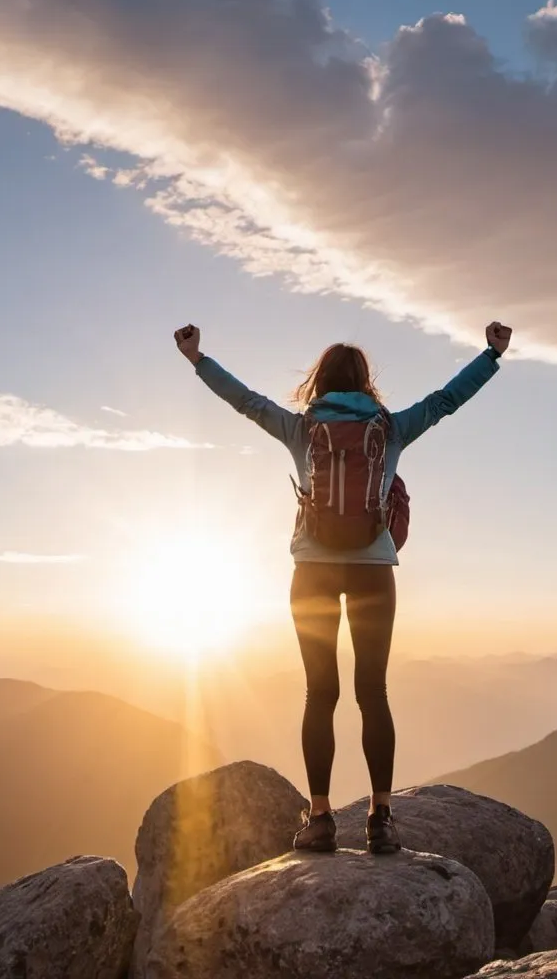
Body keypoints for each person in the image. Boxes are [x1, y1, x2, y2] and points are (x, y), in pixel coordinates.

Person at [174, 321, 512, 853]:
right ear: (365, 383)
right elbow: (447, 400)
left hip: (313, 570)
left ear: (320, 382)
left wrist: (198, 359)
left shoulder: (302, 430)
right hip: (374, 569)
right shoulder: (390, 428)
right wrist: (490, 355)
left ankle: (323, 818)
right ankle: (381, 818)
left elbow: (245, 401)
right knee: (372, 693)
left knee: (320, 693)